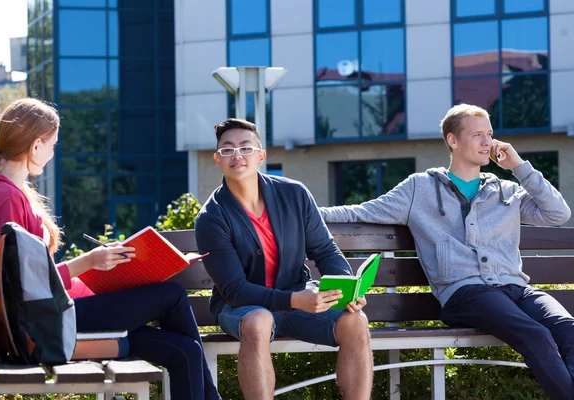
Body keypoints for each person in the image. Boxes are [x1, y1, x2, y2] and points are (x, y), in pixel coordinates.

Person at [320, 103, 574, 400]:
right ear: (453, 140)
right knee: (536, 335)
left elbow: (558, 214)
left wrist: (519, 167)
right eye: (477, 134)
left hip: (516, 289)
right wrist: (300, 211)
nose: (487, 142)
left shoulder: (505, 191)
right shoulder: (419, 188)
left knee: (568, 328)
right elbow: (360, 212)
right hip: (465, 293)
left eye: (489, 134)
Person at [0, 98, 220, 400]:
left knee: (184, 351)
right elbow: (27, 286)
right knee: (170, 295)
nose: (53, 153)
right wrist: (90, 261)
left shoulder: (6, 190)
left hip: (52, 314)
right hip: (45, 325)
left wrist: (105, 270)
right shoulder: (7, 198)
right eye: (52, 145)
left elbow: (33, 276)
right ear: (35, 145)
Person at [194, 118, 373, 400]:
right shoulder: (212, 218)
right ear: (218, 160)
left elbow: (325, 251)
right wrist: (294, 300)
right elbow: (235, 291)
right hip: (241, 308)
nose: (237, 155)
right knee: (258, 321)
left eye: (245, 148)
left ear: (261, 155)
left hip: (297, 298)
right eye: (227, 150)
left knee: (355, 320)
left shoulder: (294, 194)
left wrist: (347, 289)